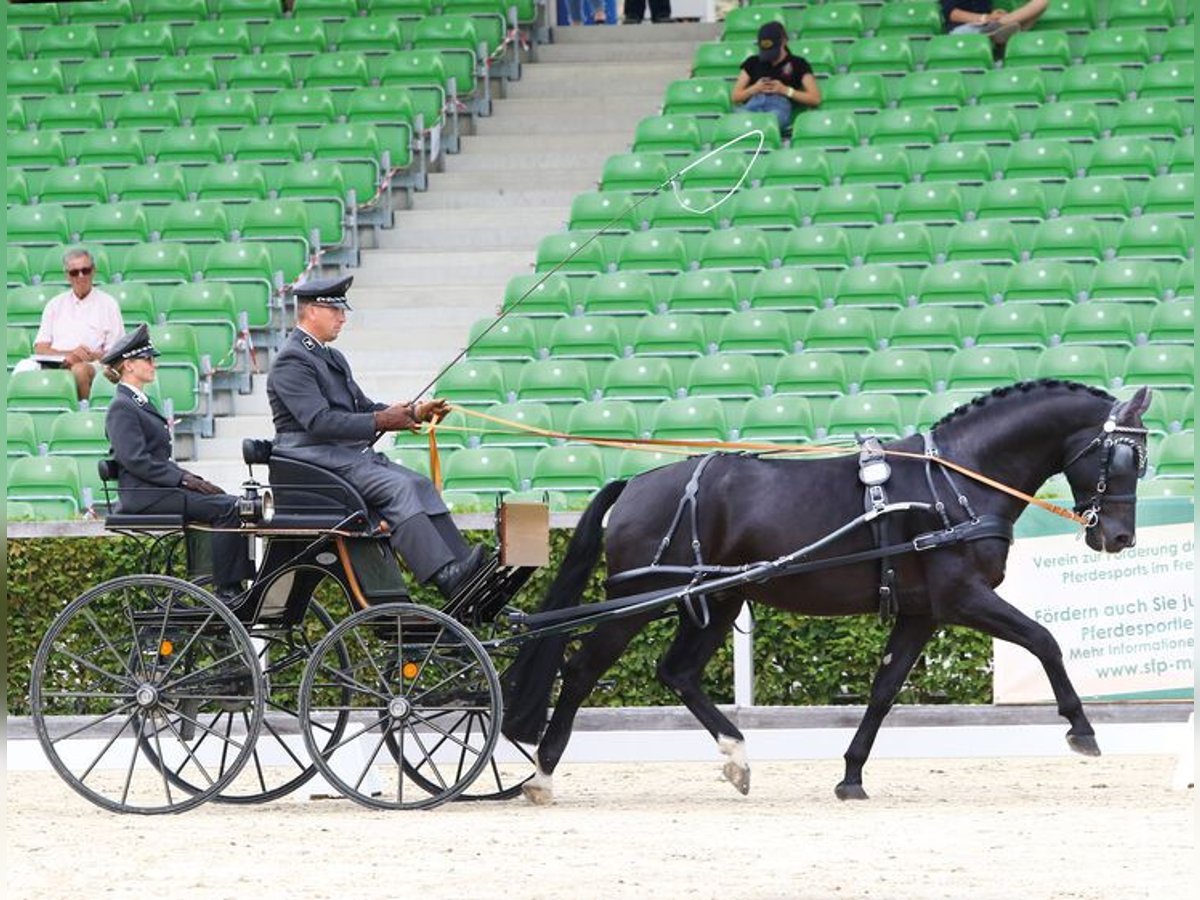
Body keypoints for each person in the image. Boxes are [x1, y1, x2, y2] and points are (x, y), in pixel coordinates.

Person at [265, 275, 487, 600]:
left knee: (420, 484)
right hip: (312, 458)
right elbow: (318, 422)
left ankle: (464, 569)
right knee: (397, 488)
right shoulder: (292, 360)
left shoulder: (331, 357)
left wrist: (413, 413)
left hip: (343, 457)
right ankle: (446, 577)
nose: (343, 318)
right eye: (336, 310)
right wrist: (382, 420)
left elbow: (363, 408)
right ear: (312, 311)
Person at [101, 324, 254, 602]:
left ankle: (231, 581)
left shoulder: (141, 402)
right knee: (228, 508)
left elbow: (157, 460)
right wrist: (183, 480)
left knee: (233, 502)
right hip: (143, 495)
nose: (153, 364)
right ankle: (228, 590)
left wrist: (192, 479)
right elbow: (136, 460)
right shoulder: (122, 407)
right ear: (129, 366)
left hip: (156, 490)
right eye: (147, 359)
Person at [18, 248, 124, 401]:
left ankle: (83, 414)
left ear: (93, 271)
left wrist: (89, 356)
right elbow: (41, 347)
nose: (80, 276)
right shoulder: (55, 304)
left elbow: (116, 353)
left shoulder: (108, 304)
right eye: (74, 272)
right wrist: (69, 355)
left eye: (85, 270)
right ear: (67, 275)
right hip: (57, 362)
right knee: (23, 368)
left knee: (79, 370)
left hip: (92, 364)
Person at [731, 22, 821, 134]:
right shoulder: (753, 62)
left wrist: (785, 90)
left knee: (768, 123)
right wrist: (754, 89)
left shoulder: (798, 64)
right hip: (753, 105)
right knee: (735, 120)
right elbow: (735, 96)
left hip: (778, 107)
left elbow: (815, 98)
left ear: (783, 41)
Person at [940, 0, 1048, 45]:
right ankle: (1000, 27)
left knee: (1041, 2)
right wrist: (986, 17)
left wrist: (996, 14)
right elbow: (953, 14)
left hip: (987, 26)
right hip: (965, 30)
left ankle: (1001, 25)